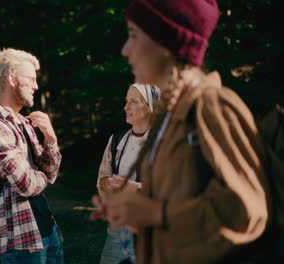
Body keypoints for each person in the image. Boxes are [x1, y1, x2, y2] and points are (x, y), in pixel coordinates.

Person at [90, 0, 272, 263]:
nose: (125, 50)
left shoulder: (213, 106)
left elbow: (246, 211)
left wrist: (156, 214)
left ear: (166, 44)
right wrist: (134, 210)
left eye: (133, 36)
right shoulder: (170, 119)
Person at [0, 48, 64, 264]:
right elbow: (26, 183)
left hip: (47, 230)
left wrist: (50, 138)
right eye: (31, 79)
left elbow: (50, 173)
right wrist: (40, 175)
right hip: (21, 241)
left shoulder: (24, 123)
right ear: (12, 79)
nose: (36, 86)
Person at [97, 83, 160, 264]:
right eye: (126, 101)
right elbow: (102, 177)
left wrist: (136, 188)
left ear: (150, 106)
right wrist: (106, 183)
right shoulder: (117, 139)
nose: (125, 107)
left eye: (133, 101)